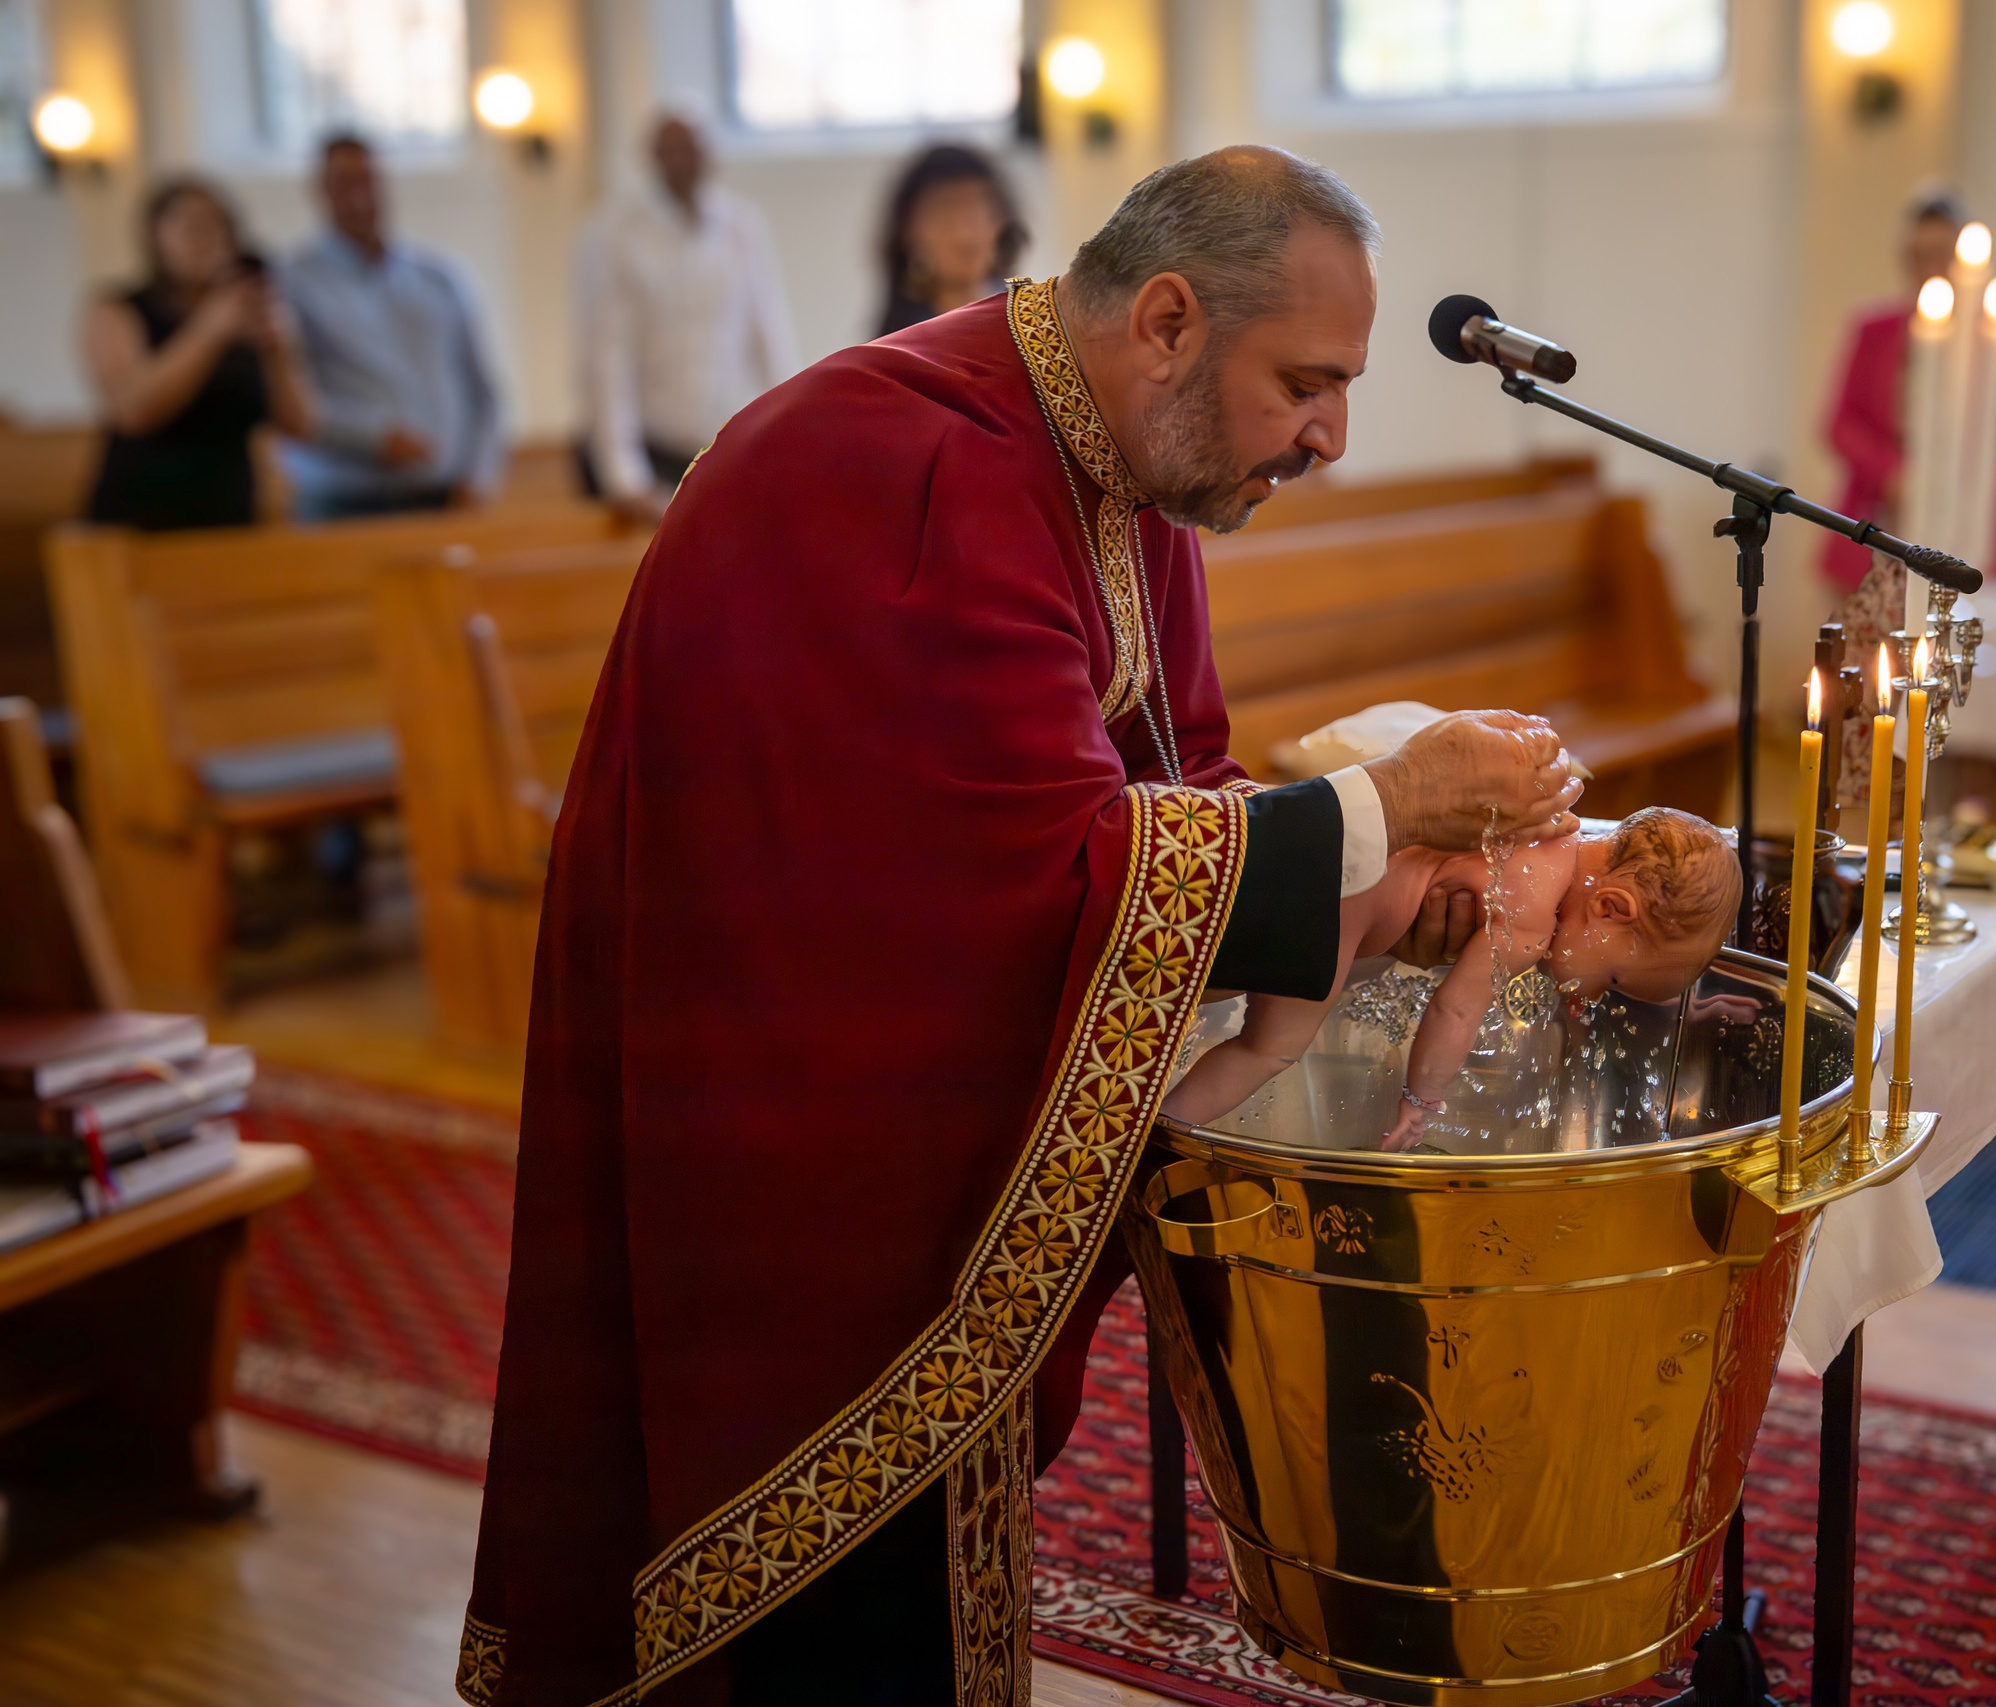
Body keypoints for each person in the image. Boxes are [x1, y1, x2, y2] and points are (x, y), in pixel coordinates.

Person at [459, 146, 1582, 1707]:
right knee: (827, 1634)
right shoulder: (904, 460)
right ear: (1172, 322)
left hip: (899, 1104)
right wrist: (1384, 806)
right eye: (1308, 384)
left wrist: (1385, 895)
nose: (1332, 435)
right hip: (787, 1148)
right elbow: (1031, 865)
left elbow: (1177, 792)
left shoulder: (1119, 472)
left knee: (933, 1586)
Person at [1164, 806, 1740, 1146]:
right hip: (1328, 910)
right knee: (1267, 1049)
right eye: (1611, 982)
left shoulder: (1552, 834)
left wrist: (1677, 1010)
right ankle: (1161, 1136)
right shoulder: (1532, 915)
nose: (1588, 998)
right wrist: (1421, 1098)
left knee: (1193, 978)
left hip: (1312, 849)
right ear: (1611, 908)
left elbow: (1581, 958)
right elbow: (1455, 1009)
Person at [576, 110, 797, 520]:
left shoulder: (742, 227)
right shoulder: (613, 234)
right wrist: (626, 477)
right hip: (648, 448)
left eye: (695, 149)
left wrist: (791, 439)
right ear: (653, 156)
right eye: (674, 149)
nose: (686, 160)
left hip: (716, 445)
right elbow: (606, 360)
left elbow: (768, 337)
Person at [278, 134, 506, 518]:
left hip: (443, 496)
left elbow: (482, 391)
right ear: (319, 191)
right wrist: (375, 439)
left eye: (367, 180)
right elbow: (288, 403)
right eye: (342, 183)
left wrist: (478, 475)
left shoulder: (440, 278)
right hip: (345, 504)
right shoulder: (290, 284)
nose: (358, 196)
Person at [1818, 188, 1996, 594]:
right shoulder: (1874, 329)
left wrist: (1959, 490)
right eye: (1918, 255)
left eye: (1940, 253)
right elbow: (1840, 423)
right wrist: (1895, 477)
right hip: (1881, 515)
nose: (1929, 267)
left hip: (1969, 524)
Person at [82, 178, 317, 530]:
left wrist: (280, 348)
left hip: (231, 518)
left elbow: (302, 426)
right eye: (191, 225)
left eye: (219, 224)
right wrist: (209, 330)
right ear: (154, 234)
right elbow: (133, 410)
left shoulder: (245, 313)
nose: (207, 238)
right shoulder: (118, 309)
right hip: (139, 520)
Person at [875, 143, 1028, 338]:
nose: (963, 233)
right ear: (909, 231)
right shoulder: (895, 347)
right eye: (944, 212)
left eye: (977, 210)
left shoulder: (1033, 325)